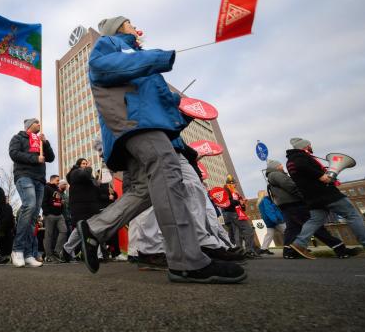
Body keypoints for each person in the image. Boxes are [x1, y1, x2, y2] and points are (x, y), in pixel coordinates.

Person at [76, 16, 245, 283]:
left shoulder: (138, 55)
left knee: (145, 189)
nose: (135, 26)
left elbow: (165, 102)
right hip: (135, 122)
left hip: (140, 124)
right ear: (119, 28)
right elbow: (100, 68)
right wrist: (157, 58)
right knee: (168, 171)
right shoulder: (111, 43)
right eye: (129, 23)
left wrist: (185, 110)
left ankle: (95, 229)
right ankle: (186, 261)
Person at [285, 138, 365, 259]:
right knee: (352, 215)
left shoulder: (290, 161)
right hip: (326, 194)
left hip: (312, 198)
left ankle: (299, 244)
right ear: (304, 146)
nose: (311, 146)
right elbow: (306, 169)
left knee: (315, 220)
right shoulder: (300, 158)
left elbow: (302, 174)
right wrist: (321, 175)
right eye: (309, 145)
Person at [265, 159, 357, 259]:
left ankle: (289, 252)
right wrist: (304, 195)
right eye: (280, 165)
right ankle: (340, 249)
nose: (282, 166)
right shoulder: (276, 174)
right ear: (275, 166)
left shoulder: (272, 176)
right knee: (315, 225)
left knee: (293, 229)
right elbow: (290, 185)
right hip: (295, 203)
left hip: (287, 206)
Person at [8, 118, 55, 268]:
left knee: (34, 215)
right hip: (24, 175)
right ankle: (17, 250)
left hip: (39, 179)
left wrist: (45, 143)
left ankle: (28, 253)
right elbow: (14, 154)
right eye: (37, 122)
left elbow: (51, 158)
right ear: (29, 126)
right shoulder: (18, 138)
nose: (40, 124)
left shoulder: (40, 141)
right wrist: (35, 158)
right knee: (29, 205)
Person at [221, 175, 260, 258]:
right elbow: (227, 203)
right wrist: (238, 202)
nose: (236, 185)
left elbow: (240, 205)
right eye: (234, 183)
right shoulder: (226, 190)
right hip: (232, 213)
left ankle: (240, 251)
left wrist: (242, 203)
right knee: (248, 230)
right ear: (230, 183)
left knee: (237, 233)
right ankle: (248, 250)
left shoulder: (234, 191)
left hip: (237, 213)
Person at [42, 174, 67, 263]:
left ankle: (56, 251)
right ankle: (48, 256)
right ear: (52, 180)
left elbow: (57, 200)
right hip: (50, 215)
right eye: (57, 180)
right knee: (49, 236)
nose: (58, 182)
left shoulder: (57, 189)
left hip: (59, 215)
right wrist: (47, 213)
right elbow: (43, 201)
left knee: (64, 231)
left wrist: (61, 202)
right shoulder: (46, 188)